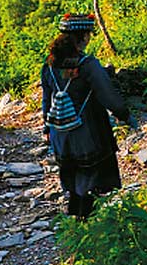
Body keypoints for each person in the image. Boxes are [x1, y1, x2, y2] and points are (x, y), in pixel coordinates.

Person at [41, 13, 133, 219]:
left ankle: (74, 219)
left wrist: (46, 128)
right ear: (81, 37)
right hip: (87, 132)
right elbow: (107, 95)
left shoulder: (50, 64)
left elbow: (46, 99)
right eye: (88, 35)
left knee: (72, 177)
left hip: (60, 133)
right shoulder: (87, 64)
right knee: (91, 178)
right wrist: (124, 114)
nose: (89, 38)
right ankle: (88, 222)